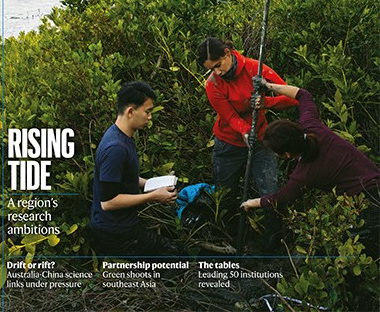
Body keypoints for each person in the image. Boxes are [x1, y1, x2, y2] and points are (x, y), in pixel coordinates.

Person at [241, 77, 380, 256]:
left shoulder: (305, 174)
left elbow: (281, 197)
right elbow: (303, 95)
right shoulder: (311, 126)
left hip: (368, 204)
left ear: (286, 155)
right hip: (376, 182)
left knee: (347, 249)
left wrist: (251, 203)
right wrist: (269, 86)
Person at [196, 37, 298, 249]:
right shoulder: (213, 84)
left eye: (218, 65)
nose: (217, 72)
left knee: (271, 192)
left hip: (261, 142)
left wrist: (266, 102)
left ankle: (271, 244)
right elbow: (229, 116)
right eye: (211, 69)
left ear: (227, 53)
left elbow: (291, 96)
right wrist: (245, 131)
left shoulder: (255, 69)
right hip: (227, 145)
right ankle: (229, 238)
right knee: (224, 196)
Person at [90, 81, 185, 258]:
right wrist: (153, 196)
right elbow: (108, 202)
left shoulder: (122, 136)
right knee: (177, 258)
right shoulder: (115, 148)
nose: (150, 117)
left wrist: (152, 184)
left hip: (122, 225)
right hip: (116, 233)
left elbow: (122, 178)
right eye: (147, 111)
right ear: (130, 112)